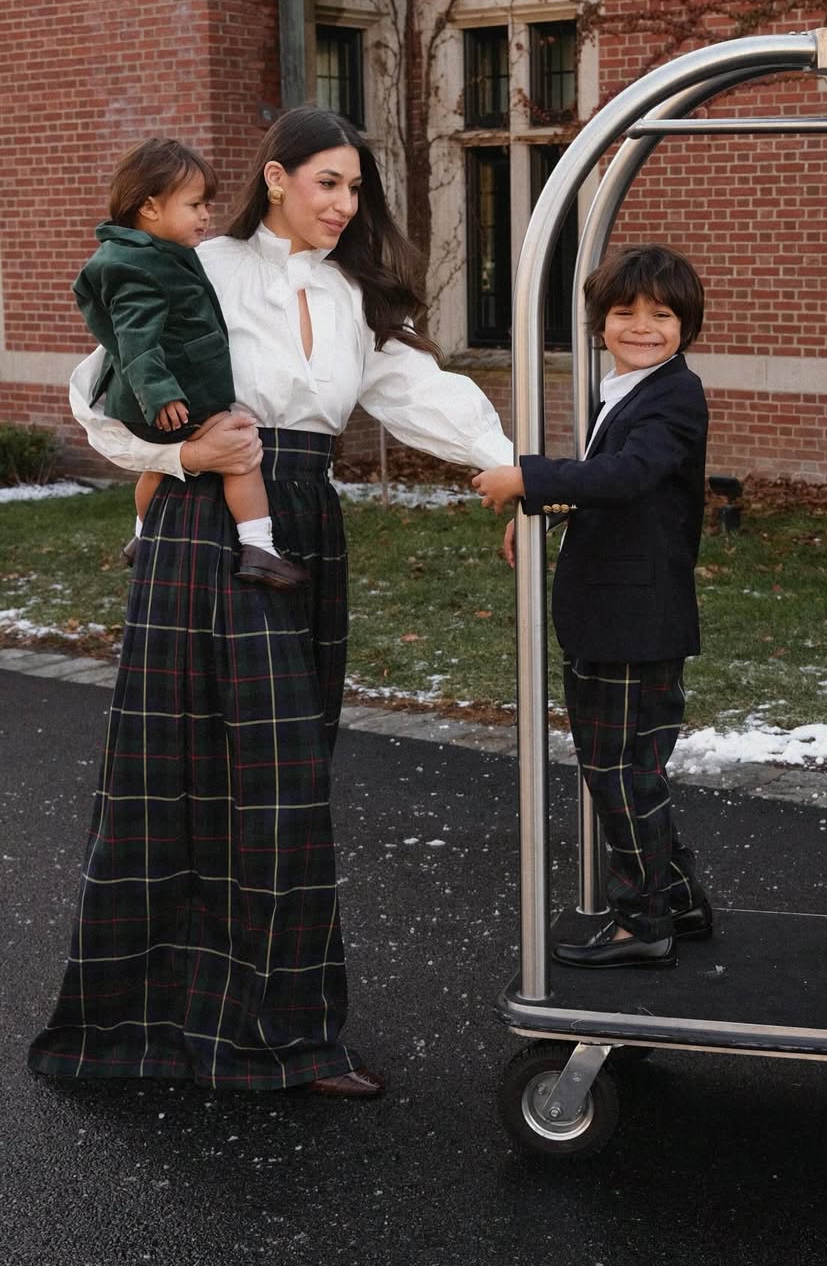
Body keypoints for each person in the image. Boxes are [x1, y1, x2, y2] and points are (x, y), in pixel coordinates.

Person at [29, 106, 513, 1096]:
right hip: (205, 523)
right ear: (278, 177)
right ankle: (148, 1028)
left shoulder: (351, 293)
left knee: (286, 785)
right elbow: (97, 391)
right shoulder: (202, 265)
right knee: (189, 773)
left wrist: (507, 464)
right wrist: (182, 454)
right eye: (328, 182)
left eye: (355, 188)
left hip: (303, 525)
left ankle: (283, 1032)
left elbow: (420, 392)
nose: (345, 204)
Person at [473, 243, 712, 968]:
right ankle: (677, 897)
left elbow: (631, 474)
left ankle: (645, 922)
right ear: (599, 323)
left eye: (661, 315)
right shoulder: (627, 391)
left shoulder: (674, 395)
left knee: (620, 773)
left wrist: (528, 479)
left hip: (635, 623)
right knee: (631, 769)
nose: (641, 327)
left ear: (687, 326)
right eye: (624, 312)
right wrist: (546, 510)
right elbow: (614, 486)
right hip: (615, 617)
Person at [73, 138, 305, 589]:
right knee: (239, 450)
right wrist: (160, 394)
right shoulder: (138, 266)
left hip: (160, 398)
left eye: (207, 205)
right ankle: (258, 546)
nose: (205, 216)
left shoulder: (153, 253)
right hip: (172, 398)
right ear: (149, 207)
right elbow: (135, 339)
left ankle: (142, 535)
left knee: (158, 469)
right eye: (195, 205)